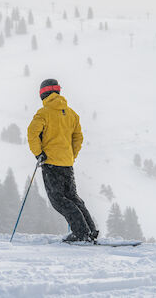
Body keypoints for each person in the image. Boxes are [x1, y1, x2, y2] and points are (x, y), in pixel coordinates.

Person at [27, 78, 98, 242]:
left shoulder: (43, 113)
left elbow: (32, 133)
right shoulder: (71, 113)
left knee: (59, 200)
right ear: (58, 91)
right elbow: (78, 137)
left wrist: (39, 154)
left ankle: (81, 234)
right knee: (72, 197)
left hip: (51, 163)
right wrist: (71, 155)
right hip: (67, 163)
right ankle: (90, 231)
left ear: (43, 94)